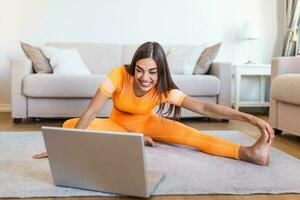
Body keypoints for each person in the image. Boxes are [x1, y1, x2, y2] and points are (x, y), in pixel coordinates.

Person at [33, 41, 274, 166]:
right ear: (133, 67)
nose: (145, 78)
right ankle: (133, 140)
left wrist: (249, 117)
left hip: (148, 124)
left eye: (152, 72)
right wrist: (64, 149)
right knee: (70, 125)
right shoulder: (118, 75)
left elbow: (203, 108)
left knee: (192, 136)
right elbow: (93, 110)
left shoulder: (163, 88)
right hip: (116, 125)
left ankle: (247, 153)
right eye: (139, 70)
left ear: (160, 72)